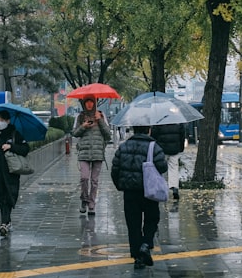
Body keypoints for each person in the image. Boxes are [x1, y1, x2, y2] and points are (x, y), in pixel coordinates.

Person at [110, 125, 168, 269]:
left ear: (134, 130)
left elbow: (115, 169)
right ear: (148, 130)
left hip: (130, 192)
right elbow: (163, 167)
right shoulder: (153, 147)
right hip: (149, 191)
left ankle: (137, 256)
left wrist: (120, 185)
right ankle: (146, 244)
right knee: (152, 219)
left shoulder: (123, 147)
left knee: (133, 224)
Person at [0, 109, 30, 236]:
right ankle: (6, 222)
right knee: (0, 198)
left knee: (8, 197)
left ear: (8, 121)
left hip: (11, 173)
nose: (0, 122)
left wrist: (11, 146)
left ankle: (4, 223)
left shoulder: (15, 134)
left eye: (2, 120)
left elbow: (25, 149)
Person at [71, 95, 111, 215]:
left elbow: (108, 135)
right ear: (84, 103)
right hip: (84, 152)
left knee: (94, 180)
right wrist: (83, 126)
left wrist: (100, 120)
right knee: (84, 178)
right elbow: (74, 134)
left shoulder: (101, 115)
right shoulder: (80, 116)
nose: (89, 104)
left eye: (91, 102)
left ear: (95, 103)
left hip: (98, 152)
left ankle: (92, 203)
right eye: (87, 102)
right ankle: (84, 200)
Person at [150, 122, 186, 200]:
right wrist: (181, 148)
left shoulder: (158, 121)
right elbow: (182, 135)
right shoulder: (178, 121)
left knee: (159, 168)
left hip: (161, 149)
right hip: (174, 149)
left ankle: (160, 187)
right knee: (174, 168)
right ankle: (174, 187)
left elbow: (153, 135)